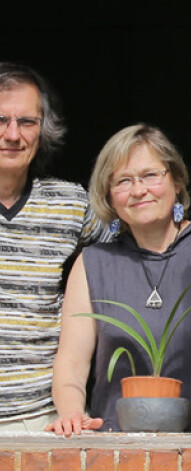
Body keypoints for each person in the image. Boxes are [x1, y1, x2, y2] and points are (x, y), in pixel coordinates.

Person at [47, 124, 191, 437]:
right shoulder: (93, 263)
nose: (139, 190)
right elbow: (71, 361)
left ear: (176, 180)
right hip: (119, 452)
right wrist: (71, 414)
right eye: (123, 181)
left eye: (151, 175)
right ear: (109, 196)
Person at [0, 62, 108, 431]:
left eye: (27, 122)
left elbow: (139, 253)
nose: (13, 134)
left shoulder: (70, 203)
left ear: (43, 131)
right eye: (0, 120)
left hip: (44, 419)